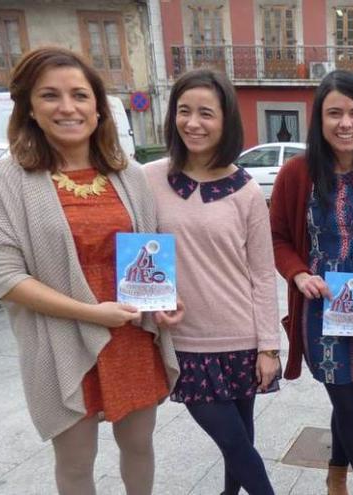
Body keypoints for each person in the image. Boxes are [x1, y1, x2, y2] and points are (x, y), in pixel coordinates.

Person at [0, 46, 179, 495]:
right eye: (50, 95)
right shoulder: (5, 180)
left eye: (80, 96)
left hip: (131, 335)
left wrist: (164, 302)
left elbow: (150, 255)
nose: (67, 107)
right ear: (29, 107)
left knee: (139, 446)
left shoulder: (128, 175)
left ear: (98, 106)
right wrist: (93, 314)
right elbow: (6, 279)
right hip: (61, 341)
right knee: (75, 462)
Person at [144, 68, 280, 495]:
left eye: (206, 113)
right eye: (184, 111)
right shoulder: (148, 178)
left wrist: (269, 346)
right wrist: (149, 304)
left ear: (225, 122)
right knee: (234, 441)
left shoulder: (246, 190)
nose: (193, 123)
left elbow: (261, 273)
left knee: (241, 438)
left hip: (240, 337)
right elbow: (138, 252)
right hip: (185, 339)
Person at [270, 70, 353, 495]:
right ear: (319, 119)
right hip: (321, 309)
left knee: (350, 398)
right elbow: (277, 239)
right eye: (334, 113)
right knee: (346, 398)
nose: (345, 123)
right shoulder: (296, 173)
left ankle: (335, 477)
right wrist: (299, 273)